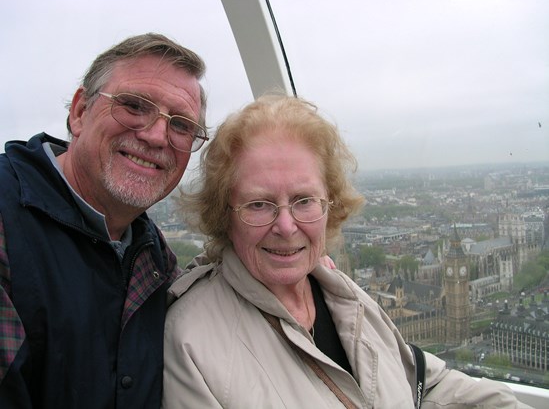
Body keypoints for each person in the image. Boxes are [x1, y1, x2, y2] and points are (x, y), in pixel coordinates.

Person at [163, 94, 531, 408]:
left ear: (330, 206)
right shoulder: (190, 340)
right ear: (224, 215)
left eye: (304, 200)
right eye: (259, 204)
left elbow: (423, 384)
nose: (287, 226)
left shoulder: (346, 295)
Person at [0, 33, 208, 408]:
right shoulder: (6, 222)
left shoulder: (153, 255)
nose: (157, 135)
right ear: (80, 112)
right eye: (133, 105)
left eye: (180, 125)